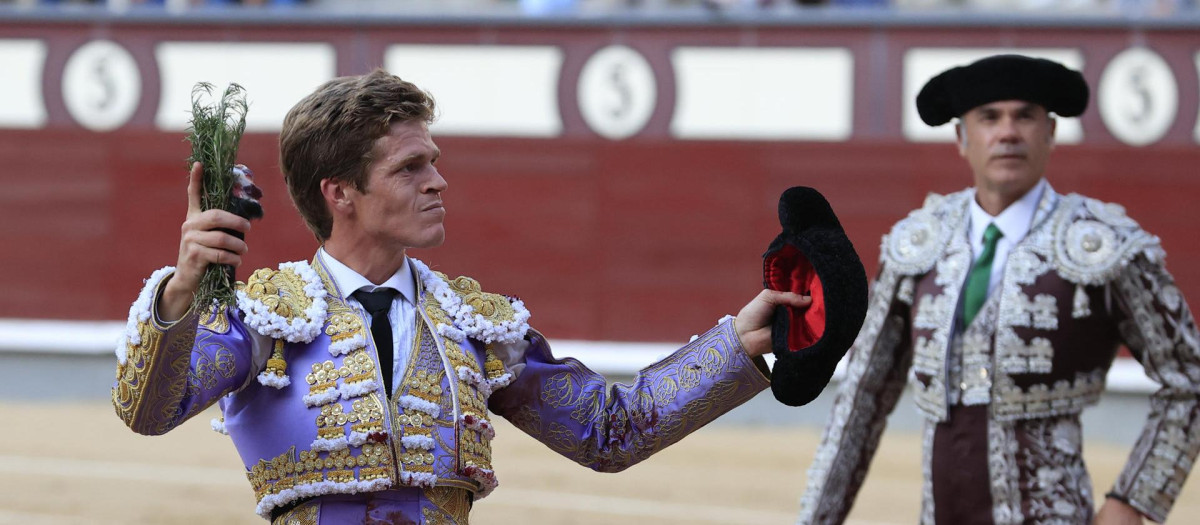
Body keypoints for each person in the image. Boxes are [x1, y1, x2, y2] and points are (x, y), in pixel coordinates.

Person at [111, 69, 813, 523]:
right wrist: (178, 292)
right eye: (411, 167)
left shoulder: (477, 325)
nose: (438, 183)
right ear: (341, 194)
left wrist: (740, 342)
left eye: (434, 164)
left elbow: (611, 430)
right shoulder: (268, 316)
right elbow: (147, 410)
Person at [796, 54, 1200, 525]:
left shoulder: (1103, 245)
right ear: (962, 139)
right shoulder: (920, 243)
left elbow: (1189, 380)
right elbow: (862, 396)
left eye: (1024, 116)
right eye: (989, 117)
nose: (1007, 132)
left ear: (1049, 133)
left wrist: (1132, 501)